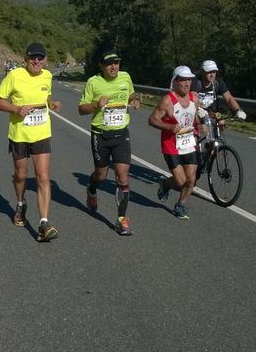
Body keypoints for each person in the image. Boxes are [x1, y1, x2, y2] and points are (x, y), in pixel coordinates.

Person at [0, 42, 62, 242]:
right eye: (33, 57)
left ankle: (43, 223)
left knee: (43, 177)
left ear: (45, 60)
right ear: (25, 58)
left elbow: (46, 94)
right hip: (19, 135)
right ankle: (21, 203)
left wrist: (51, 102)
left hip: (41, 133)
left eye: (40, 58)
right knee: (21, 175)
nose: (36, 61)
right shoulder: (14, 76)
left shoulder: (47, 76)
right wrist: (16, 109)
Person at [78, 49, 140, 236]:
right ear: (101, 66)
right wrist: (96, 104)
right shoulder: (93, 82)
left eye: (116, 63)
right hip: (100, 135)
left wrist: (135, 100)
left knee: (122, 176)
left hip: (121, 134)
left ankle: (121, 219)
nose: (114, 67)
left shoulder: (125, 77)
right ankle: (92, 188)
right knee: (101, 175)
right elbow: (81, 109)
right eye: (109, 64)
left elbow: (131, 94)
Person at [148, 65, 200, 220]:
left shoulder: (194, 99)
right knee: (180, 181)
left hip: (189, 143)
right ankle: (166, 184)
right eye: (183, 80)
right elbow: (152, 120)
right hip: (171, 146)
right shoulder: (167, 101)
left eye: (189, 80)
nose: (186, 84)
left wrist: (201, 125)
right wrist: (168, 126)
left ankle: (181, 204)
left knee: (192, 180)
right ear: (175, 81)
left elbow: (194, 118)